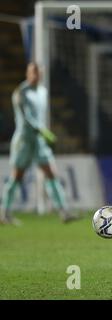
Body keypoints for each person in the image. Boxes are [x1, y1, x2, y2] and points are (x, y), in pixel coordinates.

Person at [0, 63, 76, 225]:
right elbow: (26, 116)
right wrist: (43, 131)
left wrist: (42, 132)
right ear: (28, 74)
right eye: (33, 73)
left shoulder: (43, 91)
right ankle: (4, 213)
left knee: (52, 174)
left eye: (38, 73)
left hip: (39, 141)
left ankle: (64, 212)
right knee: (17, 177)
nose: (36, 76)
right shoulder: (20, 92)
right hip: (24, 140)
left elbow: (40, 115)